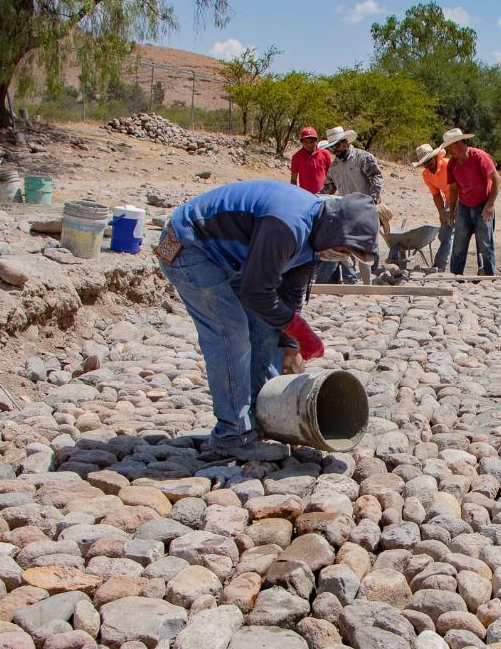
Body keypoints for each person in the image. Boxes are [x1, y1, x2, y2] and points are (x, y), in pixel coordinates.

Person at [157, 181, 377, 460]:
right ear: (336, 227)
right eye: (344, 251)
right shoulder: (286, 225)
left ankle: (264, 416)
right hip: (188, 246)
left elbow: (291, 292)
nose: (340, 257)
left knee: (266, 328)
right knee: (231, 333)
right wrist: (299, 329)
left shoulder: (318, 238)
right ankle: (232, 435)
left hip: (232, 258)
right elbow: (256, 292)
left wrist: (289, 342)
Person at [319, 125, 383, 283]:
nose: (335, 150)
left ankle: (367, 285)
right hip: (346, 211)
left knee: (364, 249)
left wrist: (373, 199)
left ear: (345, 142)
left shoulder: (363, 157)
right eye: (332, 147)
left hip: (364, 209)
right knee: (346, 248)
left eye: (337, 145)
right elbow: (328, 187)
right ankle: (351, 282)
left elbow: (376, 177)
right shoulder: (334, 167)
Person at [443, 127, 500, 276]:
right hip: (464, 206)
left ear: (459, 143)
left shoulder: (479, 157)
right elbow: (454, 189)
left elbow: (496, 179)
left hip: (483, 204)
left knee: (485, 244)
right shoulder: (452, 164)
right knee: (459, 244)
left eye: (451, 147)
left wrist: (490, 204)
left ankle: (489, 276)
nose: (450, 152)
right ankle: (456, 276)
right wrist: (452, 211)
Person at [411, 142, 453, 270]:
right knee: (445, 233)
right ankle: (440, 266)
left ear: (436, 157)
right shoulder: (426, 175)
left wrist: (452, 210)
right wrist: (442, 212)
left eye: (430, 161)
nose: (428, 165)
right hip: (449, 201)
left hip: (466, 197)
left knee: (460, 233)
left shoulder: (449, 165)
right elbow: (436, 195)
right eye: (425, 163)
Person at [289, 126, 331, 195]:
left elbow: (331, 176)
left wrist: (330, 192)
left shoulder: (325, 154)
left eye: (312, 142)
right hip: (305, 196)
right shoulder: (296, 157)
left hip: (324, 195)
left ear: (316, 141)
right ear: (302, 142)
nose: (309, 145)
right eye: (306, 142)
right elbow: (293, 180)